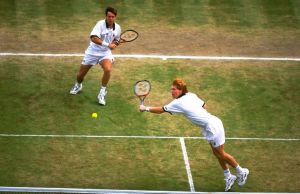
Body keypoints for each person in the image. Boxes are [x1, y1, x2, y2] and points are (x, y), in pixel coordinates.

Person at [139, 78, 249, 192]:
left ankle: (242, 171)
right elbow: (205, 106)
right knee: (217, 153)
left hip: (212, 127)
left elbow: (161, 110)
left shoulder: (178, 103)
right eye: (171, 89)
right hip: (210, 125)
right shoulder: (191, 95)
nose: (171, 91)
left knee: (221, 154)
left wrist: (145, 108)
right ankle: (228, 177)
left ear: (181, 90)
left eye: (174, 89)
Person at [70, 6, 121, 106]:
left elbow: (117, 39)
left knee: (108, 69)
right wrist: (108, 44)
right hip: (92, 52)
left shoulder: (118, 28)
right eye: (109, 16)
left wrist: (115, 44)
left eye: (113, 17)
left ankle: (102, 92)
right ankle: (78, 85)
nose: (111, 19)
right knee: (80, 75)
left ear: (115, 17)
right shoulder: (100, 24)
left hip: (105, 53)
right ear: (106, 16)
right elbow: (93, 38)